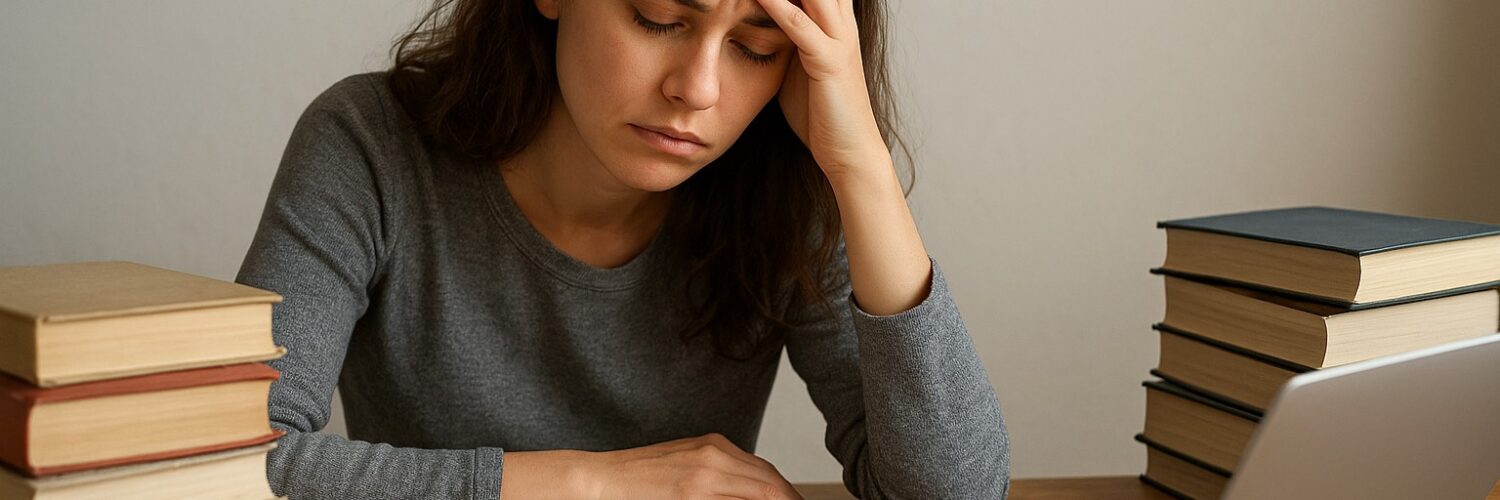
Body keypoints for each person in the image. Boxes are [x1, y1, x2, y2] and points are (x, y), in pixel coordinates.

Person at [235, 0, 1010, 498]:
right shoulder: (369, 145)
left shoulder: (786, 192)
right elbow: (227, 465)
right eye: (659, 18)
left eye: (755, 48)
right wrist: (591, 485)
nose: (698, 88)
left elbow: (957, 493)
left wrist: (859, 166)